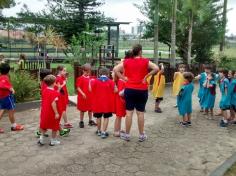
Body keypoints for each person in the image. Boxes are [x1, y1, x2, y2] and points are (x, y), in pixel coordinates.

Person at [114, 44, 159, 142]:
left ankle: (127, 135)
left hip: (129, 89)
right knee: (140, 113)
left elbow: (115, 70)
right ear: (140, 51)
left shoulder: (126, 61)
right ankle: (141, 135)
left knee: (129, 113)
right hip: (142, 90)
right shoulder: (145, 61)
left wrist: (123, 78)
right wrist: (147, 75)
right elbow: (156, 68)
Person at [35, 69, 70, 138]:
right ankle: (39, 133)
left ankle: (61, 131)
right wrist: (60, 88)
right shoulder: (46, 85)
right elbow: (53, 94)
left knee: (48, 120)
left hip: (47, 104)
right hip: (50, 105)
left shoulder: (44, 83)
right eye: (50, 74)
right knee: (49, 121)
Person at [89, 67, 116, 139]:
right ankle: (104, 132)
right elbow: (116, 90)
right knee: (106, 117)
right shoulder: (110, 81)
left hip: (98, 103)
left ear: (99, 74)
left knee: (98, 117)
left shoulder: (95, 81)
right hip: (107, 104)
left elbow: (90, 89)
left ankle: (98, 131)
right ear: (107, 74)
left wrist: (89, 83)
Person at [0, 63, 24, 133]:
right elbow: (2, 84)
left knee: (2, 110)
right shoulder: (4, 77)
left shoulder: (1, 76)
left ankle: (13, 125)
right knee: (11, 110)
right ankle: (14, 126)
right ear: (8, 70)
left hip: (2, 97)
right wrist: (11, 89)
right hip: (7, 97)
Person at [38, 75, 62, 146]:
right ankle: (53, 140)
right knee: (55, 126)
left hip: (44, 111)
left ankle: (41, 139)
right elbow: (53, 102)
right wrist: (56, 113)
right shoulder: (54, 93)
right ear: (54, 83)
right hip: (52, 112)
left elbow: (54, 95)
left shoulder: (45, 90)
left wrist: (59, 89)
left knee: (44, 125)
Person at [76, 63, 96, 128]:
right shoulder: (80, 78)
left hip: (90, 97)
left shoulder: (91, 78)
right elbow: (78, 87)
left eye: (89, 72)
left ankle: (90, 120)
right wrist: (82, 93)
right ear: (83, 71)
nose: (88, 73)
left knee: (90, 109)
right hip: (83, 97)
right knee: (82, 110)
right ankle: (81, 121)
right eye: (87, 72)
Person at [113, 71, 126, 137]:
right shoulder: (121, 81)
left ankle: (118, 129)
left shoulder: (122, 80)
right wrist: (127, 89)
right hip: (120, 101)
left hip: (121, 101)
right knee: (118, 116)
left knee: (119, 116)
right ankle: (116, 131)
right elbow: (120, 93)